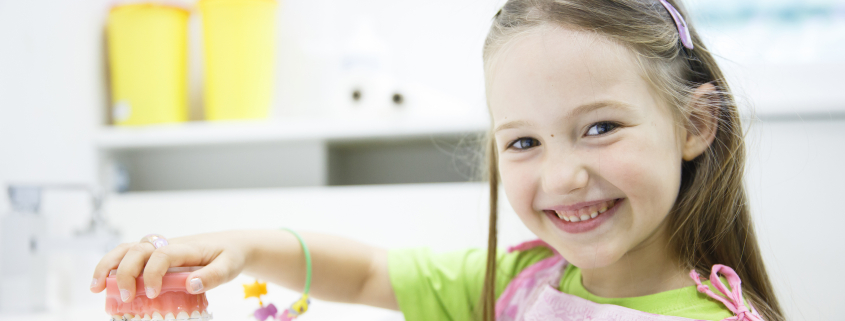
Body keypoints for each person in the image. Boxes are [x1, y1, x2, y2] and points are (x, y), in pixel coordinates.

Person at [90, 1, 784, 320]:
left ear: (693, 126)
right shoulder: (519, 282)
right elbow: (364, 274)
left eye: (598, 127)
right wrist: (236, 248)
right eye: (522, 141)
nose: (561, 175)